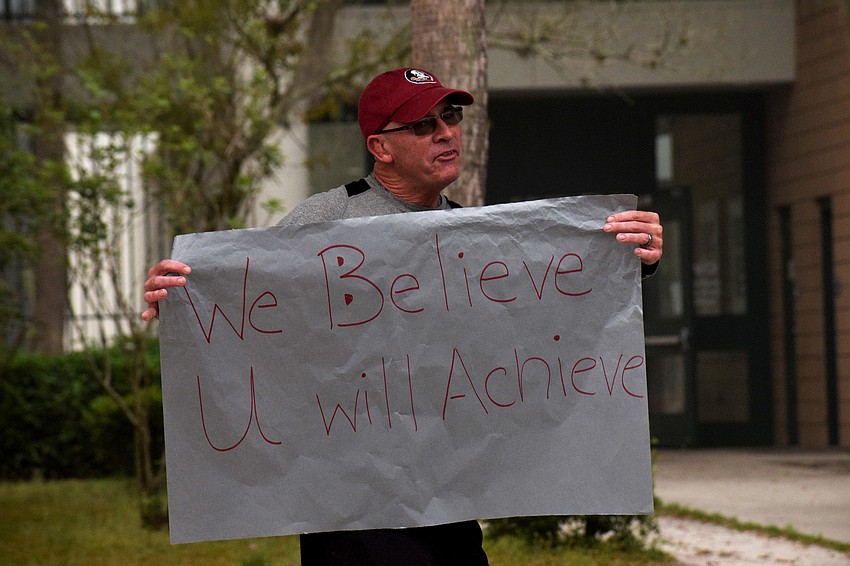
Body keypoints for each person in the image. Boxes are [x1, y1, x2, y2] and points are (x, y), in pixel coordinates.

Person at [142, 67, 663, 565]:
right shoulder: (326, 221)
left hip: (445, 494)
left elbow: (539, 320)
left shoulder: (474, 236)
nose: (445, 133)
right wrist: (182, 295)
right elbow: (255, 318)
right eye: (422, 125)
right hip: (352, 505)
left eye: (450, 118)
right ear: (380, 147)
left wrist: (627, 260)